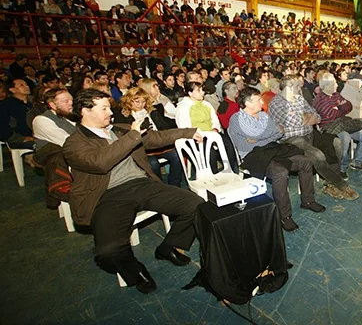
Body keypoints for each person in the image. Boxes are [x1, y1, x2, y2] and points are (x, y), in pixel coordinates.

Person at [63, 89, 204, 294]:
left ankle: (169, 247)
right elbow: (101, 163)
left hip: (142, 184)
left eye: (109, 107)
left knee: (196, 205)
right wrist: (133, 136)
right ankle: (135, 271)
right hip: (109, 196)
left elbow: (156, 138)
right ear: (85, 111)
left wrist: (188, 132)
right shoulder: (74, 143)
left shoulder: (119, 130)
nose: (110, 112)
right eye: (104, 108)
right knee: (107, 250)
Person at [228, 87, 325, 231]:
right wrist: (267, 136)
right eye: (257, 100)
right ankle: (284, 215)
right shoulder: (236, 119)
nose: (262, 102)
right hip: (252, 156)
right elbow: (249, 141)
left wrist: (260, 138)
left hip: (271, 149)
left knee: (305, 161)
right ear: (247, 103)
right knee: (280, 172)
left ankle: (308, 201)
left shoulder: (264, 116)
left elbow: (278, 133)